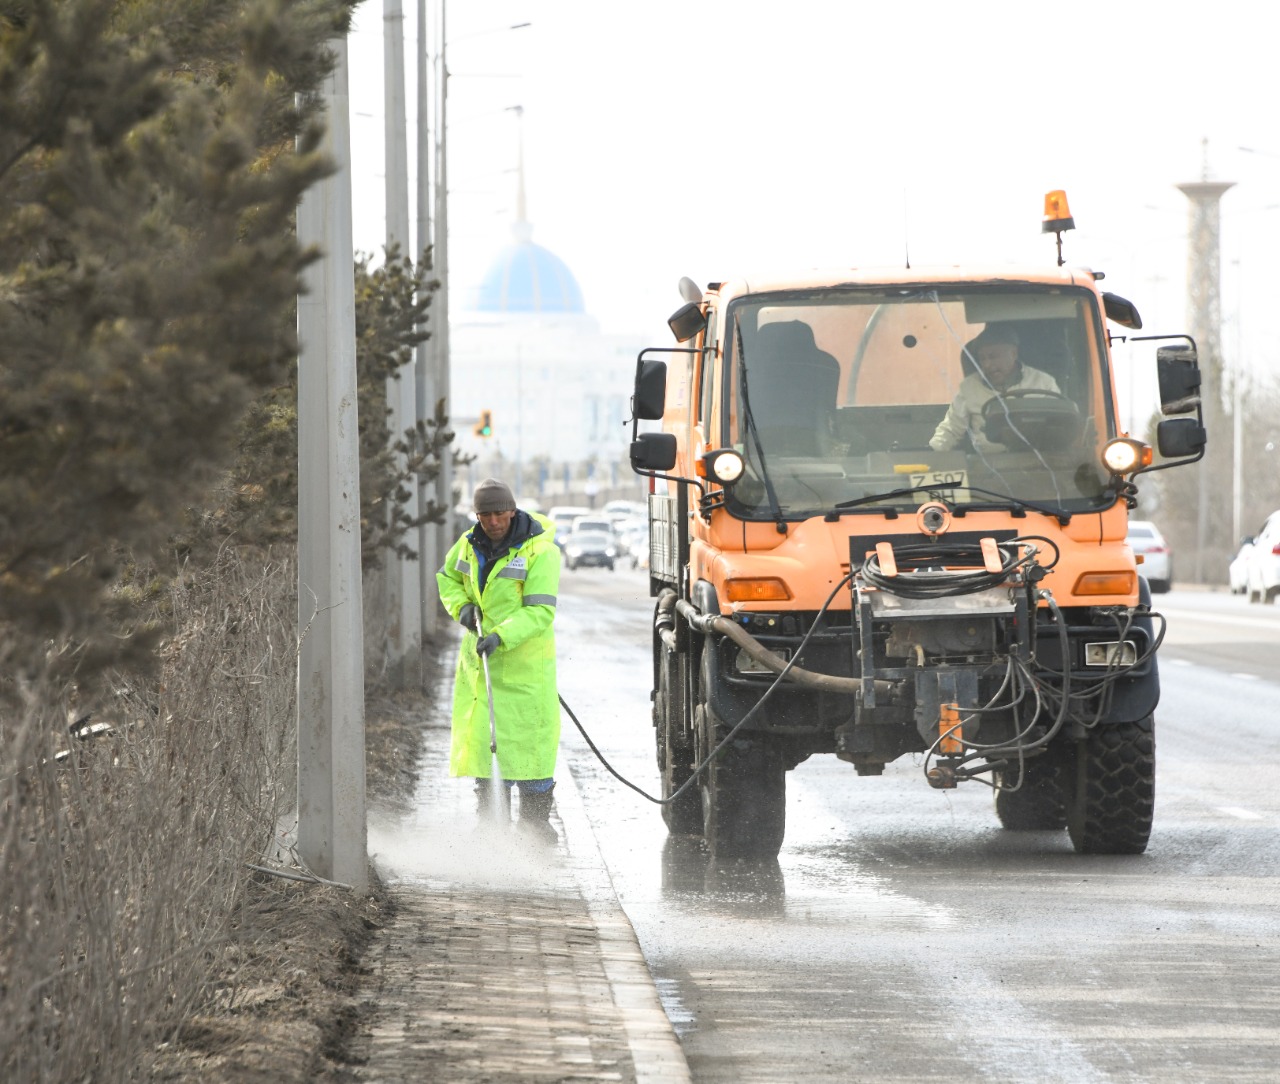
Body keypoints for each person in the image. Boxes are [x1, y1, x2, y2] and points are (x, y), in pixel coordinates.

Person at [436, 478, 562, 842]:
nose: (493, 522)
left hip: (524, 669)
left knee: (530, 751)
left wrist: (501, 635)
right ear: (477, 515)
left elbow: (540, 611)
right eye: (485, 514)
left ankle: (536, 830)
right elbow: (449, 579)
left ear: (512, 510)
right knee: (486, 746)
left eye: (499, 513)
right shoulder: (468, 544)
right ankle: (492, 831)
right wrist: (461, 608)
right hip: (482, 666)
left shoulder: (541, 553)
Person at [929, 324, 1061, 453]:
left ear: (1013, 354)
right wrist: (933, 454)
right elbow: (951, 430)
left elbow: (1060, 425)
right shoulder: (969, 387)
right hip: (986, 467)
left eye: (993, 357)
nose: (987, 364)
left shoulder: (1044, 382)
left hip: (1037, 462)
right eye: (982, 359)